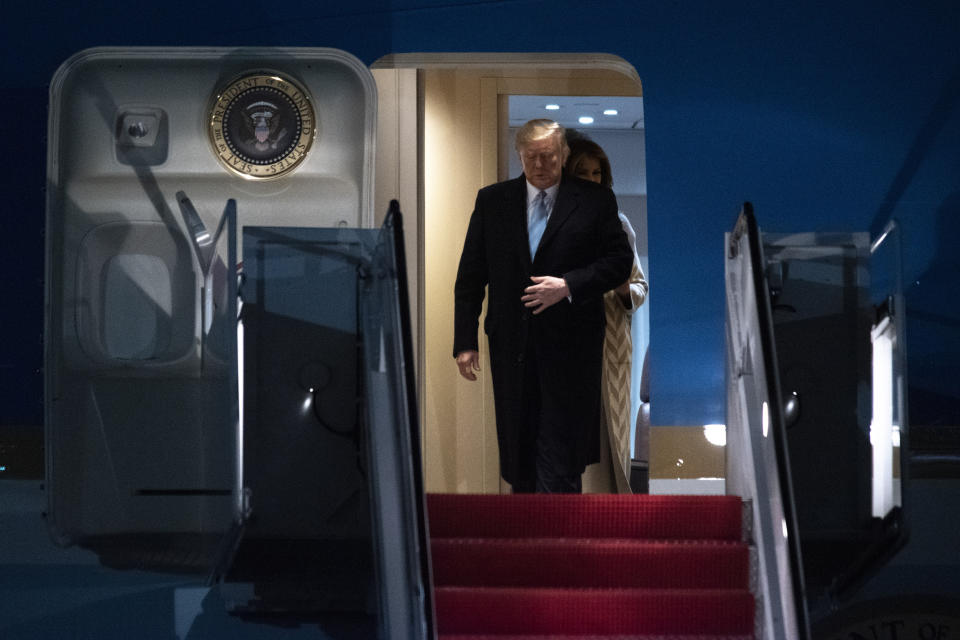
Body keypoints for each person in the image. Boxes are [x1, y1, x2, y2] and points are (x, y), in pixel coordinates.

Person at [453, 119, 634, 493]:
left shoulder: (594, 200)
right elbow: (471, 275)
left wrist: (569, 285)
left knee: (561, 458)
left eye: (548, 156)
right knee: (520, 459)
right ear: (519, 155)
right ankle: (526, 542)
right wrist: (465, 341)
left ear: (563, 155)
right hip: (511, 343)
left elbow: (619, 262)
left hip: (571, 346)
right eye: (531, 156)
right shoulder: (493, 200)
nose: (539, 165)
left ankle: (562, 541)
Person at [566, 136, 648, 494]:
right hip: (567, 340)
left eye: (596, 172)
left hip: (612, 341)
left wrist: (619, 288)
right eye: (581, 172)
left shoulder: (619, 224)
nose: (590, 178)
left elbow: (640, 286)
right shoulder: (548, 224)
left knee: (610, 431)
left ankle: (611, 510)